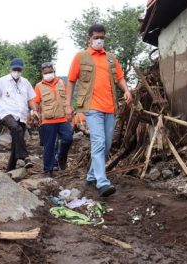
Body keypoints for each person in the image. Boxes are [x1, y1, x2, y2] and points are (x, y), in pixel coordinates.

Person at [66, 24, 133, 197]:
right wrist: (68, 104)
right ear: (89, 38)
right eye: (96, 37)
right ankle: (102, 182)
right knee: (99, 141)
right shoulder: (81, 57)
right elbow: (71, 81)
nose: (99, 40)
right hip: (91, 107)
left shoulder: (110, 58)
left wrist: (126, 90)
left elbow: (120, 77)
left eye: (102, 37)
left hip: (109, 107)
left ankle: (90, 176)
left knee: (107, 144)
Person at [0, 58, 39, 171]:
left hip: (21, 116)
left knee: (17, 142)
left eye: (19, 69)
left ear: (22, 70)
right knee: (17, 129)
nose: (16, 71)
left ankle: (10, 170)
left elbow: (30, 99)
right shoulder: (2, 81)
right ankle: (26, 157)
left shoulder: (25, 82)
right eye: (14, 69)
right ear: (10, 69)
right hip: (6, 114)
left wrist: (34, 110)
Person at [34, 62, 73, 177]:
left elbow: (67, 99)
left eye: (50, 72)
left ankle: (61, 156)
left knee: (68, 138)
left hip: (62, 119)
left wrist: (70, 110)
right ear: (42, 73)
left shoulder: (61, 82)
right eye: (46, 73)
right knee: (49, 146)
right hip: (48, 121)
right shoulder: (38, 86)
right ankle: (48, 170)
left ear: (54, 71)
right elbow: (36, 102)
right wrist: (35, 115)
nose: (48, 74)